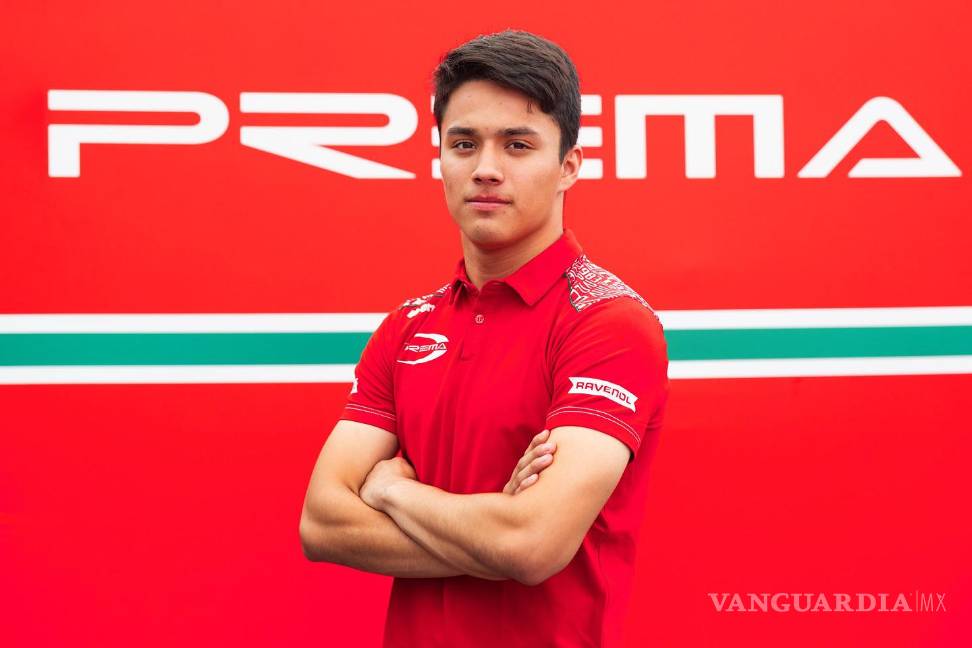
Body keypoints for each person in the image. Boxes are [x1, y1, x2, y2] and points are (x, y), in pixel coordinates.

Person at [299, 29, 670, 648]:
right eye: (464, 143)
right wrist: (494, 535)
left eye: (517, 145)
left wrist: (392, 490)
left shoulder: (608, 323)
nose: (486, 169)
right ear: (441, 157)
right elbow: (321, 524)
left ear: (569, 166)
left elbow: (532, 545)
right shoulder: (407, 327)